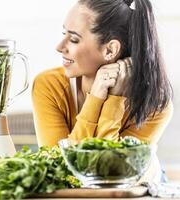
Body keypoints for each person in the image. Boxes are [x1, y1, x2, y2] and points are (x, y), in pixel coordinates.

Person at [32, 0, 173, 182]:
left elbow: (114, 172)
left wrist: (114, 100)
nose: (59, 46)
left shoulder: (156, 104)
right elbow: (59, 170)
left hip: (139, 188)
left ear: (110, 50)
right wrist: (95, 98)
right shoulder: (48, 85)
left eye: (74, 39)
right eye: (63, 34)